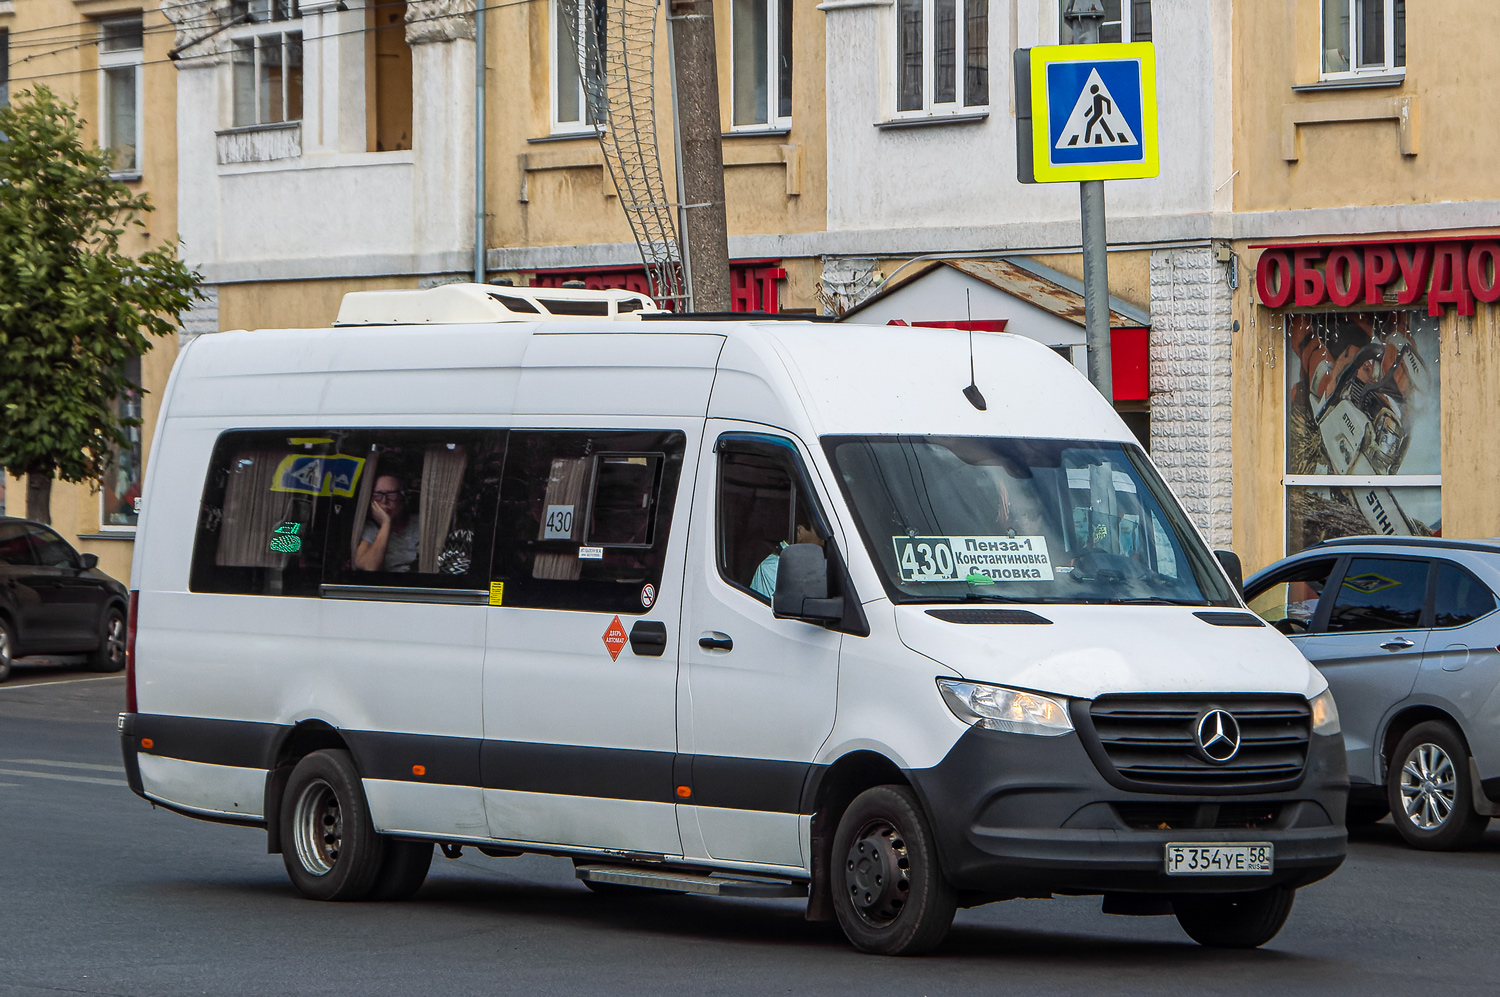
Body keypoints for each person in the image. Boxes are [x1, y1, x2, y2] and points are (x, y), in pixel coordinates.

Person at [355, 474, 420, 572]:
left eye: (391, 495)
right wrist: (386, 524)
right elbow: (369, 567)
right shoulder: (370, 528)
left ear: (402, 498)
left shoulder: (420, 523)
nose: (384, 501)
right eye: (377, 495)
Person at [750, 523, 822, 599]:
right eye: (819, 532)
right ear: (800, 531)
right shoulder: (773, 567)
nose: (823, 539)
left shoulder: (807, 562)